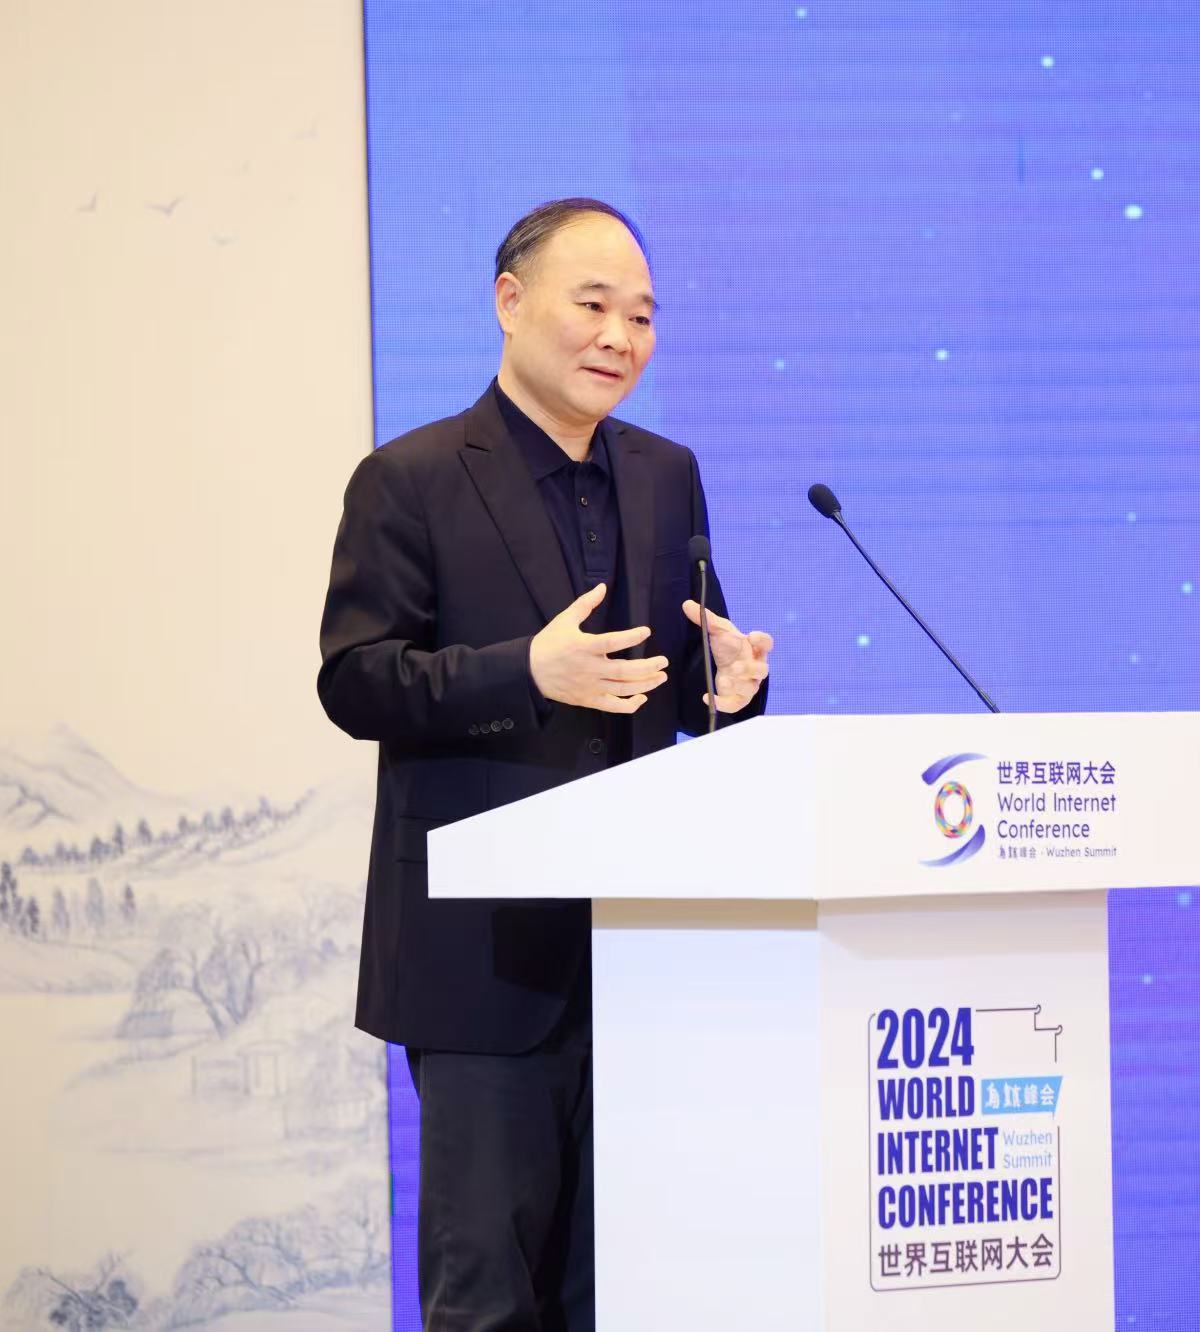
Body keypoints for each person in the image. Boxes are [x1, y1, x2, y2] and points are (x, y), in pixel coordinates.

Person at [317, 197, 773, 1332]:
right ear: (510, 303)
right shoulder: (410, 477)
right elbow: (356, 681)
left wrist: (729, 689)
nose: (620, 337)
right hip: (481, 963)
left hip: (641, 957)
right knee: (488, 1297)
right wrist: (524, 671)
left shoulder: (666, 473)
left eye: (643, 316)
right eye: (595, 305)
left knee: (626, 1293)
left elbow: (675, 677)